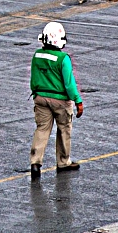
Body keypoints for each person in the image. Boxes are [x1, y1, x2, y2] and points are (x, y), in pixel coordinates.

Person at [29, 21, 84, 179]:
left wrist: (36, 94)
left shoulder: (37, 55)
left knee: (42, 129)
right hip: (60, 100)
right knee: (64, 129)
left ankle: (35, 162)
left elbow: (33, 79)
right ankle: (63, 162)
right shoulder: (63, 58)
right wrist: (78, 101)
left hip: (40, 98)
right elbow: (69, 84)